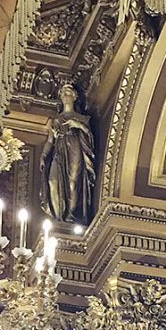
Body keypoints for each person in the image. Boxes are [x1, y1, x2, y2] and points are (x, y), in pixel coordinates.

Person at [40, 83, 95, 225]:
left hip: (75, 147)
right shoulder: (55, 120)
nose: (65, 96)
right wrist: (43, 156)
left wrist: (79, 125)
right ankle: (58, 217)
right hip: (59, 150)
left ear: (75, 96)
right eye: (63, 93)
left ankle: (70, 215)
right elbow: (50, 141)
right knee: (53, 181)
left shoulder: (82, 118)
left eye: (68, 92)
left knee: (73, 182)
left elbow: (89, 137)